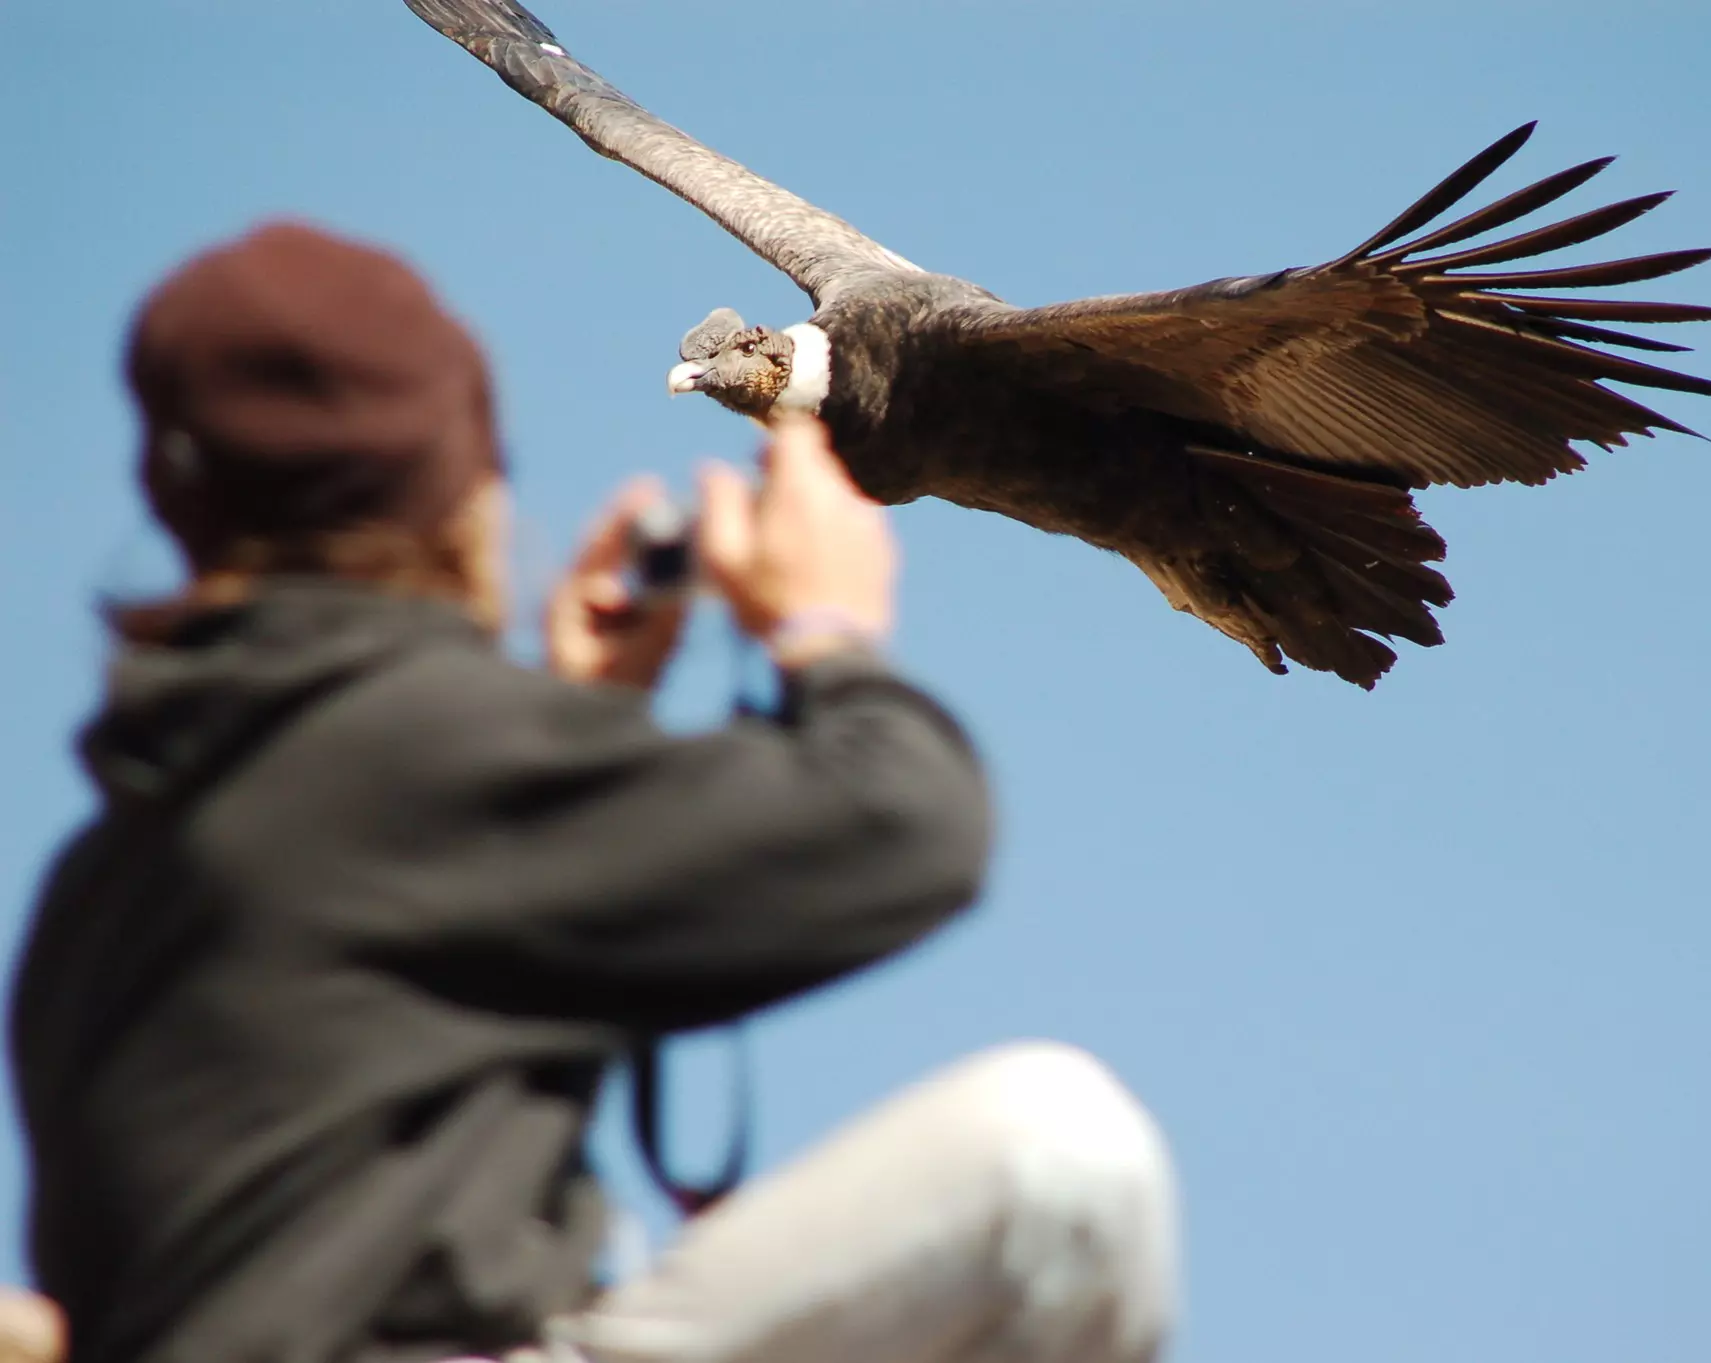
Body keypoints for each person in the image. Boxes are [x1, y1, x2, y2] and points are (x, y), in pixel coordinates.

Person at [9, 223, 1178, 1363]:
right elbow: (911, 825)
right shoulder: (400, 751)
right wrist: (826, 629)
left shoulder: (104, 882)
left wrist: (583, 723)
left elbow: (406, 1033)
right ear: (458, 494)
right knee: (1058, 1159)